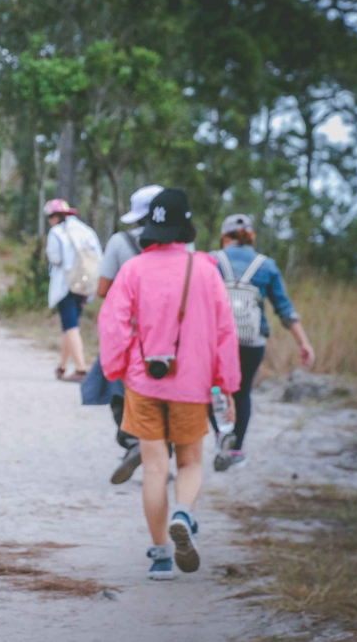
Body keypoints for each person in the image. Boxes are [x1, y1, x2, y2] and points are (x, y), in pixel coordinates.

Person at [98, 188, 240, 580]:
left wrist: (116, 368)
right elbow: (225, 331)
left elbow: (112, 323)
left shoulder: (133, 269)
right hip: (192, 385)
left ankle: (160, 556)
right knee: (190, 462)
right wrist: (226, 385)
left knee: (154, 469)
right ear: (186, 225)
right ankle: (183, 513)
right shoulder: (206, 270)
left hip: (143, 383)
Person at [210, 214, 315, 470]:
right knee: (243, 392)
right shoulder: (266, 265)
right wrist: (303, 343)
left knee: (213, 391)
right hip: (252, 341)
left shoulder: (211, 260)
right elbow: (284, 309)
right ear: (251, 236)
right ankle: (236, 451)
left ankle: (222, 433)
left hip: (216, 340)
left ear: (224, 237)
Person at [85, 185, 163, 485]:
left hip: (129, 332)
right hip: (168, 335)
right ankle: (159, 453)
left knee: (117, 386)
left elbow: (102, 289)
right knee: (162, 391)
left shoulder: (120, 241)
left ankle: (132, 441)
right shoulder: (185, 248)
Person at [44, 199, 103, 382]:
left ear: (56, 216)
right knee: (71, 327)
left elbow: (55, 258)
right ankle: (62, 367)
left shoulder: (56, 232)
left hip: (66, 284)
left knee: (70, 326)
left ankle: (81, 369)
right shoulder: (87, 231)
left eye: (50, 217)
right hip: (86, 284)